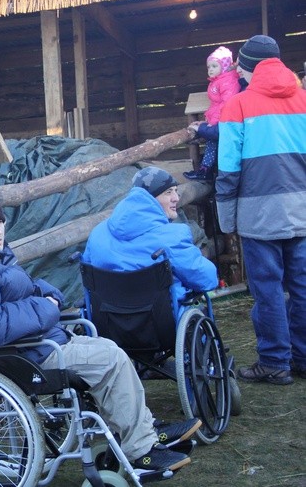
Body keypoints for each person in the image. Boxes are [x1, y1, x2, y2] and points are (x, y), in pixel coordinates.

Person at [0, 173, 201, 475]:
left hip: (31, 345)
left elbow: (22, 291)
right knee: (109, 359)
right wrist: (45, 309)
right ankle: (141, 451)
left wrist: (47, 296)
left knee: (109, 349)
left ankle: (140, 431)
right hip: (20, 356)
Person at [216, 34, 306, 385]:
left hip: (259, 216)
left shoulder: (237, 105)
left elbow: (229, 169)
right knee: (302, 287)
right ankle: (302, 358)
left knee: (267, 289)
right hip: (302, 212)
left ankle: (273, 362)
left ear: (249, 66)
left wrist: (227, 220)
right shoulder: (303, 99)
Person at [83, 166, 218, 321]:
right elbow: (206, 279)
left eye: (175, 190)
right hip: (163, 326)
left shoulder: (97, 234)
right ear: (148, 198)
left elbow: (88, 281)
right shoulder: (172, 237)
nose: (176, 198)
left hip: (108, 325)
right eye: (168, 192)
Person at [184, 46, 241, 181]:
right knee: (212, 143)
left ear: (225, 66)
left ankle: (206, 170)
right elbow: (216, 105)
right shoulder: (219, 81)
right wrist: (207, 121)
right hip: (217, 121)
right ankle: (206, 170)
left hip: (224, 121)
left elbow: (226, 104)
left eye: (214, 66)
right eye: (209, 66)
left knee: (213, 142)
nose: (210, 69)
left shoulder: (228, 81)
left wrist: (213, 123)